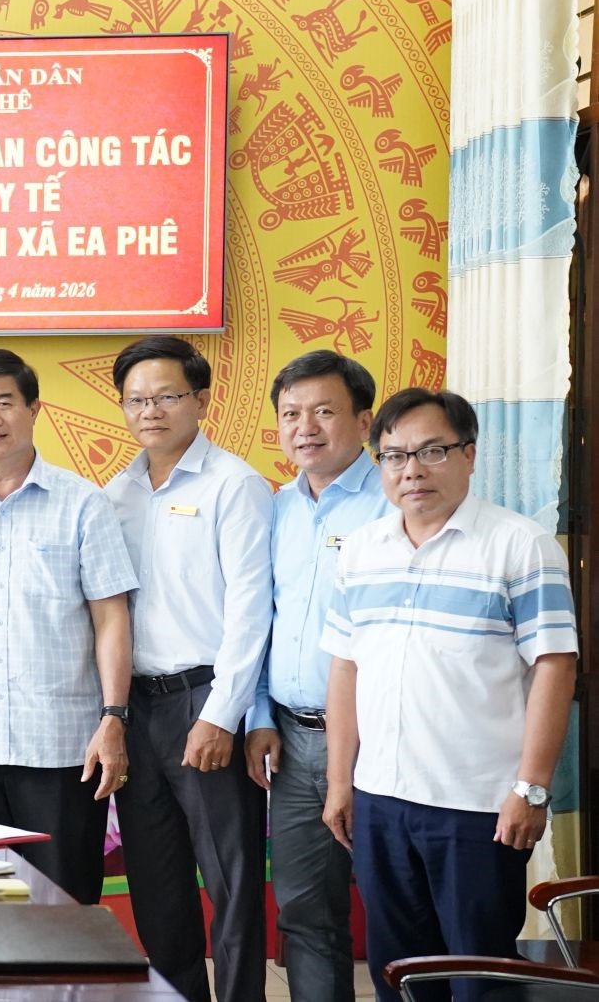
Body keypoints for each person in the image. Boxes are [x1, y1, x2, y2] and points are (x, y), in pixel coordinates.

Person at [323, 389, 577, 1001]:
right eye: (394, 456)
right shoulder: (361, 550)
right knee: (400, 975)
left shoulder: (520, 545)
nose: (412, 470)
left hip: (478, 807)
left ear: (469, 454)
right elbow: (346, 668)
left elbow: (555, 666)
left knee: (478, 976)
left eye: (431, 451)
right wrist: (339, 782)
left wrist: (531, 788)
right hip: (380, 799)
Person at [0, 349, 136, 904]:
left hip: (62, 748)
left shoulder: (83, 503)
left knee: (64, 907)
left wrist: (113, 718)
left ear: (34, 409)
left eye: (4, 402)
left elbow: (111, 617)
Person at [102, 335, 270, 1002]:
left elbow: (252, 610)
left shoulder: (235, 485)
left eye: (167, 396)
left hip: (204, 700)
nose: (151, 411)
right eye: (136, 400)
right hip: (135, 708)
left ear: (201, 399)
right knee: (157, 880)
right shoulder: (114, 494)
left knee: (230, 880)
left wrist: (221, 715)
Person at [243, 351, 391, 1001]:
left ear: (363, 421)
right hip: (294, 739)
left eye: (324, 411)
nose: (305, 428)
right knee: (305, 912)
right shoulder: (276, 509)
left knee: (398, 909)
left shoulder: (395, 503)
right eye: (291, 414)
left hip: (381, 739)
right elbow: (258, 620)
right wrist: (258, 715)